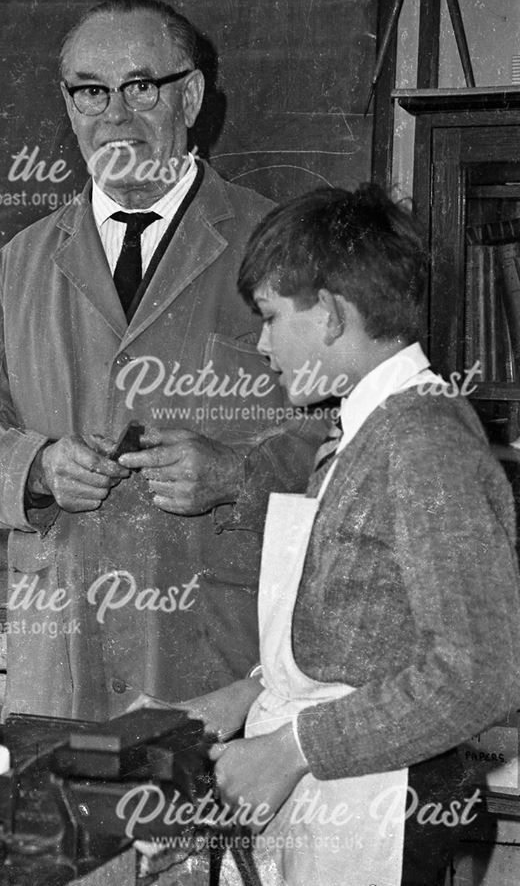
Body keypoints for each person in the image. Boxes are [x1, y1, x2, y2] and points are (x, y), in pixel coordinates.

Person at [0, 0, 322, 722]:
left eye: (141, 87)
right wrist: (38, 466)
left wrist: (239, 474)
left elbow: (348, 440)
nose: (114, 114)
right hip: (63, 667)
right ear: (69, 104)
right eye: (90, 91)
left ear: (191, 97)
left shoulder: (283, 248)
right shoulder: (17, 267)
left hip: (223, 671)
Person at [138, 184, 520, 885]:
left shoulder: (423, 440)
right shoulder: (362, 430)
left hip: (385, 807)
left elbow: (483, 671)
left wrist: (290, 750)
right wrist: (240, 697)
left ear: (334, 316)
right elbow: (363, 630)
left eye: (272, 318)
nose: (261, 344)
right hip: (340, 795)